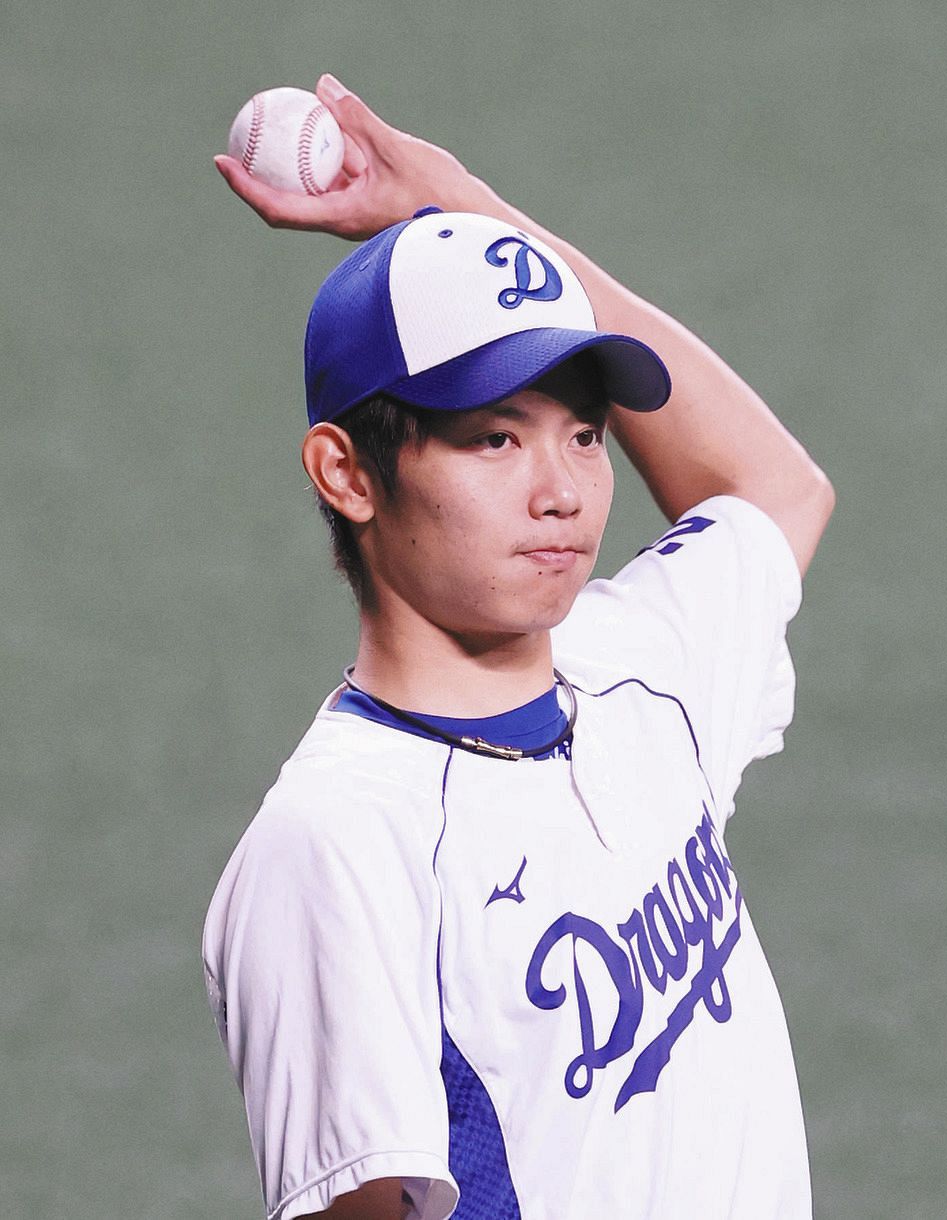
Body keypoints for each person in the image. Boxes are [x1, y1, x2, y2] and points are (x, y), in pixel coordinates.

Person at [203, 73, 835, 1220]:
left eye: (583, 433)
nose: (563, 493)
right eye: (494, 438)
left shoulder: (637, 661)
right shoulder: (337, 841)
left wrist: (454, 206)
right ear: (347, 472)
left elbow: (772, 488)